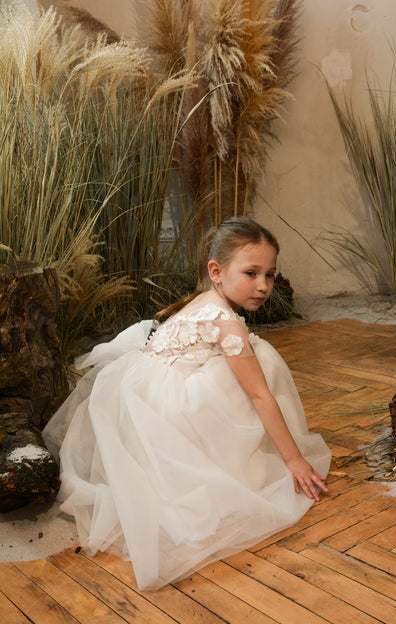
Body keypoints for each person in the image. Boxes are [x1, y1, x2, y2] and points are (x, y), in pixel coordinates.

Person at [43, 217, 331, 590]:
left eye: (271, 275)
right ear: (216, 270)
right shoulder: (227, 322)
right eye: (252, 273)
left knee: (249, 357)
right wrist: (294, 459)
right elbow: (260, 395)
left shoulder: (205, 300)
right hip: (172, 413)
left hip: (144, 403)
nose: (263, 286)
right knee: (263, 363)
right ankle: (235, 465)